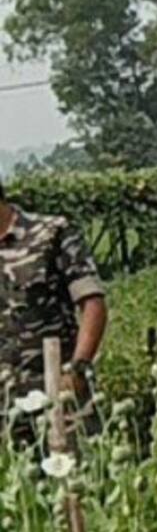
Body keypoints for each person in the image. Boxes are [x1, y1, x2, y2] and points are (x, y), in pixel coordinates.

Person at [2, 177, 107, 442]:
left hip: (57, 392)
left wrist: (78, 369)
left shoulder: (52, 233)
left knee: (74, 476)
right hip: (5, 405)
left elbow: (92, 302)